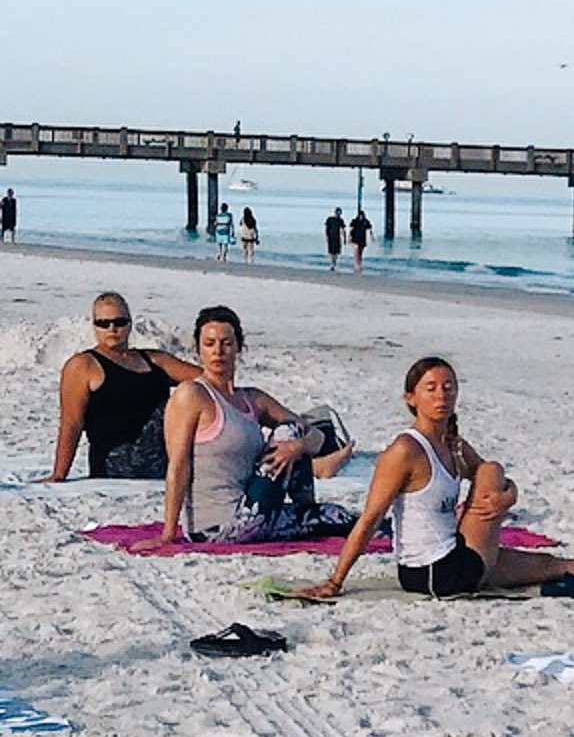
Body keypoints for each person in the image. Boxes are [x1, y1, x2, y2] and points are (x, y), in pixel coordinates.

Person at [294, 356, 574, 601]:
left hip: (458, 557)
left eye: (449, 387)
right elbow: (370, 519)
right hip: (435, 571)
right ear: (410, 398)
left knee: (549, 563)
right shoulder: (405, 450)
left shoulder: (452, 444)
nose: (441, 395)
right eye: (430, 388)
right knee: (491, 469)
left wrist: (508, 500)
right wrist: (335, 580)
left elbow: (502, 483)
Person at [160, 306, 348, 541]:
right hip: (216, 526)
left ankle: (307, 508)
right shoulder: (191, 394)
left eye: (226, 343)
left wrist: (299, 447)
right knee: (287, 431)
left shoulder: (253, 399)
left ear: (239, 346)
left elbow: (316, 436)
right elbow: (178, 465)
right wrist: (168, 532)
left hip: (255, 509)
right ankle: (307, 508)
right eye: (209, 344)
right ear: (197, 348)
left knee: (336, 515)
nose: (218, 351)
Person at [45, 293, 200, 481]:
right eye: (103, 323)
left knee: (192, 395)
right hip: (116, 465)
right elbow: (71, 423)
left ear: (130, 324)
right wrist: (59, 473)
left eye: (119, 322)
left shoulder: (155, 360)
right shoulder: (83, 365)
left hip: (165, 462)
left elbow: (210, 382)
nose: (112, 329)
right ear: (94, 326)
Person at [349, 208, 372, 273]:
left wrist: (372, 237)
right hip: (355, 239)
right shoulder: (355, 221)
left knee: (360, 253)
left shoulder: (365, 222)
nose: (361, 217)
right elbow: (351, 230)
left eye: (362, 216)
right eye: (360, 216)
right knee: (356, 252)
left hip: (362, 239)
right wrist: (349, 238)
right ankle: (356, 265)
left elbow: (370, 229)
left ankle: (359, 264)